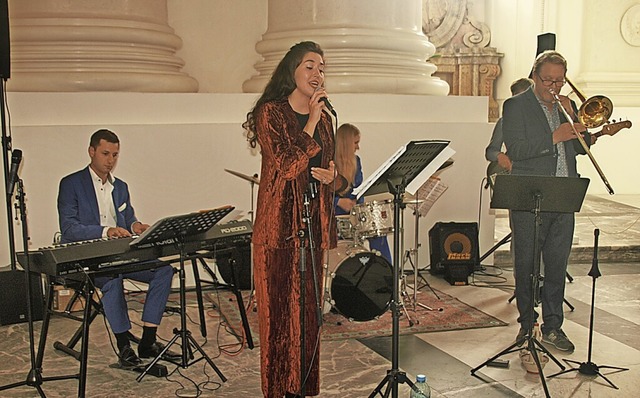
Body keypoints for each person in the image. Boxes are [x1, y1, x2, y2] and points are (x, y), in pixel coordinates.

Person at [243, 41, 348, 398]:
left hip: (311, 226)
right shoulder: (270, 113)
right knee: (279, 321)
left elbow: (333, 176)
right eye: (309, 66)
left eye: (321, 68)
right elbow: (287, 165)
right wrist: (313, 120)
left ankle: (303, 388)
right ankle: (277, 391)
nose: (317, 74)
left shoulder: (328, 122)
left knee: (307, 318)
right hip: (278, 230)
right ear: (292, 71)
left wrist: (332, 178)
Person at [57, 129, 179, 369]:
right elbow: (69, 229)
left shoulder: (120, 187)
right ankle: (124, 346)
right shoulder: (71, 183)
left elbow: (127, 220)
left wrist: (136, 226)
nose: (110, 160)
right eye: (105, 153)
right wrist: (105, 231)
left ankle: (148, 341)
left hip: (120, 255)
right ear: (91, 151)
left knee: (164, 271)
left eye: (115, 154)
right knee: (112, 279)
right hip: (89, 259)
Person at [503, 50, 596, 352]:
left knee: (557, 266)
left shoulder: (565, 107)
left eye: (560, 81)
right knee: (526, 265)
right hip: (530, 195)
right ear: (534, 76)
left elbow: (579, 150)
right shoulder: (516, 106)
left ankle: (554, 327)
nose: (554, 87)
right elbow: (516, 149)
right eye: (548, 81)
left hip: (564, 195)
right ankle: (527, 325)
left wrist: (580, 128)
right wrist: (554, 137)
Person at [333, 123, 392, 262]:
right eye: (355, 143)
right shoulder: (329, 162)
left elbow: (359, 190)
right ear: (346, 144)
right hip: (333, 214)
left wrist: (358, 204)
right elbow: (319, 195)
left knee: (377, 229)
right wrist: (339, 202)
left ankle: (386, 271)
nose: (358, 147)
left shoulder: (356, 161)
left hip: (353, 213)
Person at [485, 77, 534, 175]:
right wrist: (499, 156)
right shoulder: (505, 120)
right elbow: (490, 151)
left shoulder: (545, 119)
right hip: (514, 173)